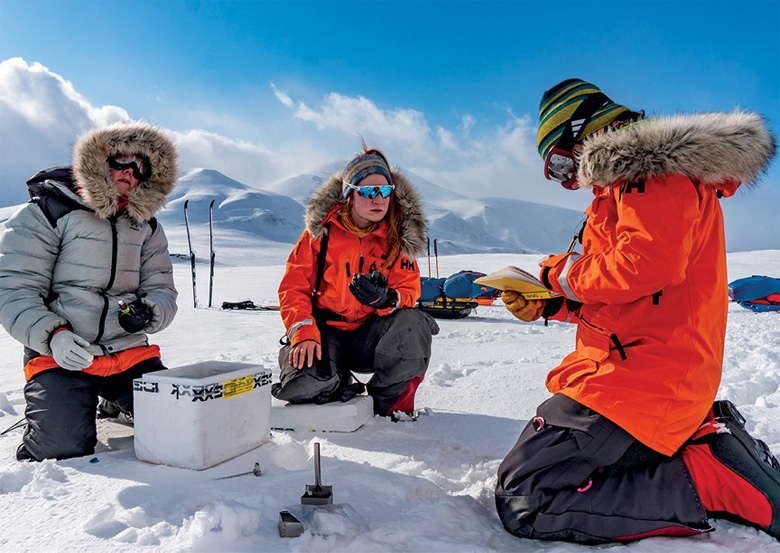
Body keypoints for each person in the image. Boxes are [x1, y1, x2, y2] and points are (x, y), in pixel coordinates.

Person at [495, 79, 779, 543]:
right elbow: (634, 301)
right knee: (530, 479)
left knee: (527, 497)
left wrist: (560, 276)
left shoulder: (652, 173)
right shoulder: (629, 187)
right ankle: (693, 450)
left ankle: (706, 479)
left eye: (561, 161)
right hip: (627, 372)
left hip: (641, 384)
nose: (568, 179)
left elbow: (644, 267)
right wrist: (552, 305)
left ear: (585, 129)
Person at [0, 121, 179, 461]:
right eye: (121, 161)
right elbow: (13, 288)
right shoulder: (48, 212)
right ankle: (50, 417)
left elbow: (162, 287)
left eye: (141, 167)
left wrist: (152, 310)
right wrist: (54, 337)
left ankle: (114, 399)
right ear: (98, 161)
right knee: (59, 449)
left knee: (179, 422)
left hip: (128, 354)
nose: (130, 172)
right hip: (63, 354)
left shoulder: (147, 226)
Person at [273, 147, 439, 419]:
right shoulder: (320, 234)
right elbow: (294, 288)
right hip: (326, 334)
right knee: (301, 387)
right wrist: (302, 332)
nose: (379, 199)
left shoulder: (398, 238)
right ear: (350, 194)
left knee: (413, 323)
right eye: (369, 192)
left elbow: (410, 290)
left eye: (385, 191)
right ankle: (335, 379)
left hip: (372, 338)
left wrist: (388, 300)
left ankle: (388, 407)